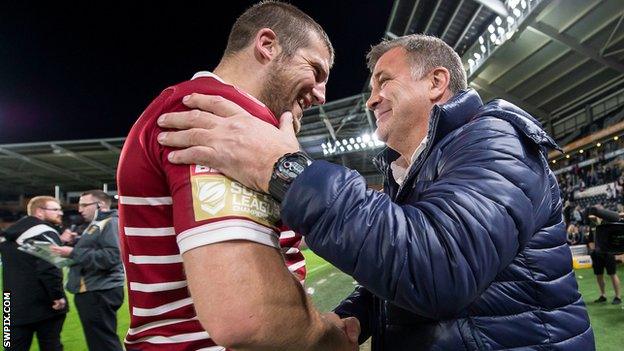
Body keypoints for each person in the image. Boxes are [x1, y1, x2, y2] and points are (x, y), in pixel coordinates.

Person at [156, 34, 595, 349]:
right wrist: (348, 321)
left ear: (437, 82)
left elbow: (438, 266)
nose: (371, 99)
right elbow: (396, 278)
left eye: (384, 81)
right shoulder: (412, 167)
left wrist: (285, 169)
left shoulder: (495, 140)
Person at [115, 1, 358, 350]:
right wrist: (330, 340)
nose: (321, 95)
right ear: (267, 45)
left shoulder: (204, 110)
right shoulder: (218, 115)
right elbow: (249, 320)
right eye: (316, 71)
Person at [50, 190, 125, 351]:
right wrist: (72, 245)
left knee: (103, 343)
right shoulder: (96, 224)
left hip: (98, 290)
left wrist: (73, 252)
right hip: (94, 289)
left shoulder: (110, 222)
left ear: (101, 205)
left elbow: (111, 257)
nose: (80, 209)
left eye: (84, 205)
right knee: (100, 341)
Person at [0, 196, 67, 351]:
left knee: (11, 346)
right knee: (51, 345)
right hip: (44, 304)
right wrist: (57, 296)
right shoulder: (45, 232)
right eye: (55, 209)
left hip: (9, 304)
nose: (61, 213)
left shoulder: (9, 234)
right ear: (39, 212)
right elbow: (49, 267)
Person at [586, 216, 621, 304]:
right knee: (599, 275)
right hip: (597, 254)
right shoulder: (592, 224)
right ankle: (603, 295)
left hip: (608, 253)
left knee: (612, 274)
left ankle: (618, 297)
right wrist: (593, 250)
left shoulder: (607, 222)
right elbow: (590, 240)